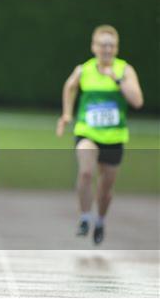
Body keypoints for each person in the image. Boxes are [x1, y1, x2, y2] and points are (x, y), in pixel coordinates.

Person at [57, 25, 143, 245]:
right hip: (88, 132)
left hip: (114, 138)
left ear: (116, 49)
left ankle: (101, 220)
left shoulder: (125, 70)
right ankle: (85, 217)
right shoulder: (83, 70)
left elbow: (137, 101)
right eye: (103, 45)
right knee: (86, 172)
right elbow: (69, 87)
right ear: (94, 47)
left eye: (111, 45)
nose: (107, 49)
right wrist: (67, 114)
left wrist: (117, 80)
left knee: (105, 189)